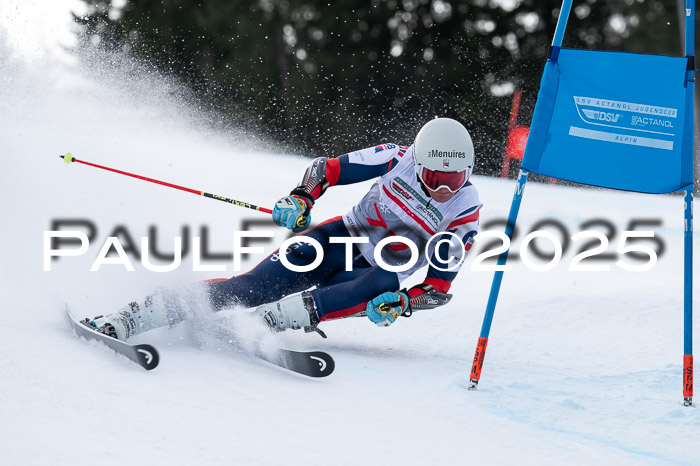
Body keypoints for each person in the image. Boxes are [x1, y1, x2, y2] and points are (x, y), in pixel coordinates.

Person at [83, 117, 482, 340]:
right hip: (341, 237)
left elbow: (437, 290)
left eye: (456, 178)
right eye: (434, 177)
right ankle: (138, 314)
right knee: (250, 287)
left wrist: (404, 304)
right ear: (418, 161)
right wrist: (301, 198)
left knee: (384, 282)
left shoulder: (465, 211)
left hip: (373, 272)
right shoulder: (398, 158)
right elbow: (326, 169)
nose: (445, 189)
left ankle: (270, 321)